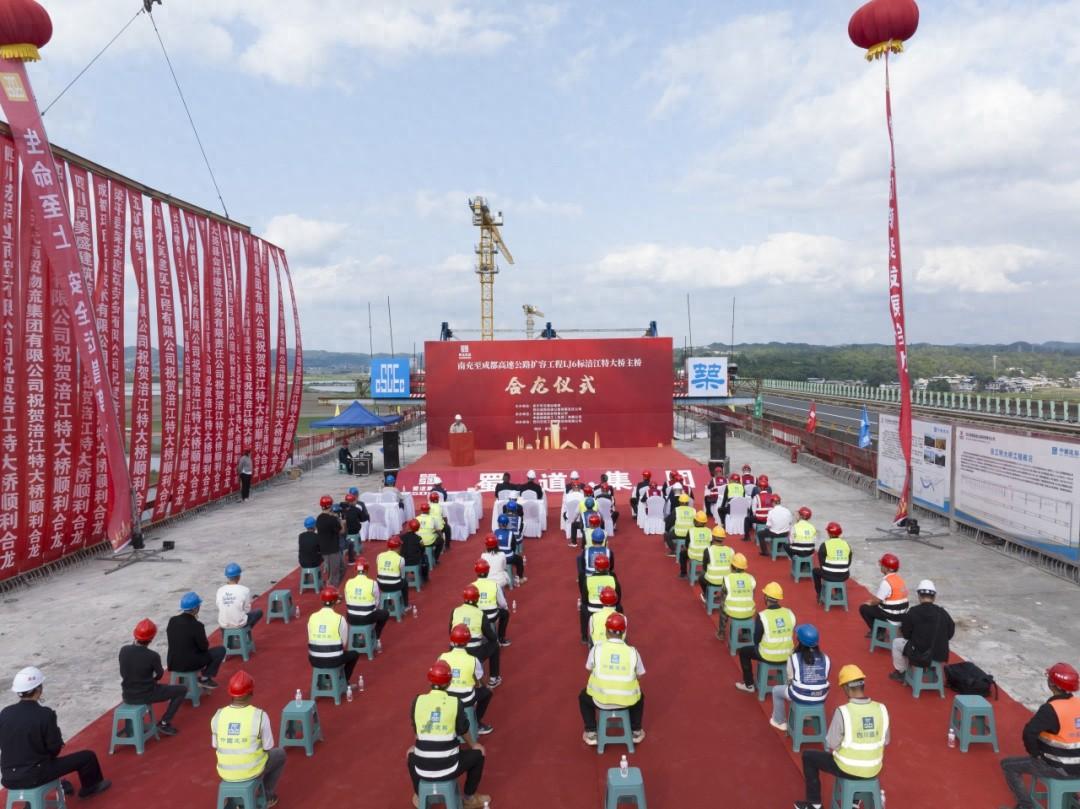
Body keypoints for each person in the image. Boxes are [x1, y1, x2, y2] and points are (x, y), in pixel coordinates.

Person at [0, 667, 111, 799]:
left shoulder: (5, 713)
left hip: (8, 777)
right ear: (39, 689)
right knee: (87, 757)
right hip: (35, 774)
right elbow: (54, 749)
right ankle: (91, 787)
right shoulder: (45, 714)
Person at [795, 665, 890, 809]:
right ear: (862, 684)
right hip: (873, 769)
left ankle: (814, 803)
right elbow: (886, 740)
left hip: (847, 768)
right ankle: (855, 800)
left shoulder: (843, 711)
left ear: (845, 688)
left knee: (808, 756)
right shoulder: (881, 709)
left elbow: (832, 743)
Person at [407, 660, 490, 809]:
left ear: (429, 681)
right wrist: (474, 745)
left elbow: (418, 731)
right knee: (479, 754)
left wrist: (417, 748)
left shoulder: (417, 701)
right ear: (449, 682)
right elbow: (463, 730)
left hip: (422, 767)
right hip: (449, 766)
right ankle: (469, 798)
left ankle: (420, 796)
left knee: (410, 754)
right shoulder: (454, 702)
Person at [999, 662, 1080, 809]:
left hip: (1059, 768)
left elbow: (1029, 732)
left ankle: (1026, 806)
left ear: (1052, 684)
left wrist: (1035, 754)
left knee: (1007, 766)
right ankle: (1072, 800)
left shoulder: (1051, 709)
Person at [211, 671, 285, 808]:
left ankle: (232, 800)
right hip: (252, 771)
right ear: (251, 692)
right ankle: (267, 796)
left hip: (225, 772)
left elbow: (215, 745)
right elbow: (268, 746)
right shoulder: (259, 716)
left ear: (230, 693)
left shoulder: (218, 715)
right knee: (279, 754)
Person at [580, 613, 646, 746]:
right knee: (640, 697)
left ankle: (591, 733)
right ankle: (636, 731)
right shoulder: (633, 652)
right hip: (627, 702)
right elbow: (640, 674)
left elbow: (589, 668)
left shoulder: (596, 649)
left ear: (606, 631)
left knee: (583, 698)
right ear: (624, 632)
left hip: (600, 700)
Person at [119, 619, 185, 736]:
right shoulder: (152, 656)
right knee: (181, 690)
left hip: (127, 694)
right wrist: (151, 679)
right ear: (151, 639)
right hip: (146, 693)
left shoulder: (124, 650)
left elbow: (124, 671)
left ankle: (130, 728)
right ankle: (164, 723)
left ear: (135, 634)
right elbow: (159, 675)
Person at [888, 580, 954, 682]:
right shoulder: (943, 612)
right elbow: (950, 633)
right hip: (940, 653)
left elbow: (906, 635)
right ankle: (932, 669)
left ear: (919, 596)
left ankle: (901, 672)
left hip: (919, 654)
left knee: (897, 643)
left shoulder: (913, 611)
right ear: (934, 597)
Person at [735, 582, 795, 693]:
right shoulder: (790, 613)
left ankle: (749, 685)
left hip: (767, 655)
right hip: (787, 655)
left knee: (743, 652)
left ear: (766, 597)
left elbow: (756, 639)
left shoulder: (762, 616)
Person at [769, 624, 830, 732]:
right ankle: (808, 714)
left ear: (799, 641)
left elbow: (790, 678)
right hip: (820, 696)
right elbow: (823, 677)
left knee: (776, 691)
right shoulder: (826, 658)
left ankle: (779, 721)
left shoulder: (794, 658)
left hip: (800, 695)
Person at [439, 625, 495, 736]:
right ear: (467, 641)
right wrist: (485, 686)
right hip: (466, 699)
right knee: (487, 693)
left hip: (446, 696)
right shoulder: (473, 660)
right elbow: (479, 681)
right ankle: (477, 723)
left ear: (452, 640)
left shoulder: (442, 657)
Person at [166, 592, 226, 690]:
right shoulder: (197, 625)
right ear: (195, 608)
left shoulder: (172, 620)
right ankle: (205, 678)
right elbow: (204, 647)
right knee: (220, 650)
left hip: (173, 662)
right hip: (190, 663)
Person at [450, 586, 502, 688]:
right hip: (474, 651)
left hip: (454, 648)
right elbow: (491, 636)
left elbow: (450, 632)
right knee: (495, 645)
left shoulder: (455, 611)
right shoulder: (480, 613)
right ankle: (494, 678)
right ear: (477, 599)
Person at [307, 586, 361, 683]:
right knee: (354, 654)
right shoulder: (340, 619)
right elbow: (343, 643)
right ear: (335, 602)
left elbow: (310, 635)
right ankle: (344, 681)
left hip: (314, 660)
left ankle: (324, 682)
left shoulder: (312, 617)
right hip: (334, 659)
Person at [344, 558, 389, 649]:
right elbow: (377, 601)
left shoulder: (348, 582)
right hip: (367, 617)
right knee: (385, 613)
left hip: (351, 618)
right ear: (367, 569)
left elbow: (347, 599)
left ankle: (359, 636)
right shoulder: (373, 583)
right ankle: (376, 636)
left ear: (355, 569)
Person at [858, 553, 908, 632]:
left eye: (882, 565)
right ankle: (880, 630)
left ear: (887, 568)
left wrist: (869, 603)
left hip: (892, 616)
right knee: (876, 606)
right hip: (901, 615)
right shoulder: (899, 579)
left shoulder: (887, 582)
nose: (881, 566)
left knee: (864, 608)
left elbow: (877, 601)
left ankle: (878, 632)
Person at [580, 554, 620, 644]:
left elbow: (584, 599)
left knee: (582, 607)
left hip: (592, 610)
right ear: (608, 566)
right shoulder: (613, 579)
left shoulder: (588, 579)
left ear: (595, 566)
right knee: (620, 607)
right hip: (611, 609)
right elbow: (618, 597)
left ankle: (584, 636)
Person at [716, 553, 756, 640]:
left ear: (732, 566)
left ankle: (721, 633)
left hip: (732, 611)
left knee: (722, 606)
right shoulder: (751, 578)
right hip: (749, 611)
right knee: (747, 603)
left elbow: (723, 597)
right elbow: (751, 596)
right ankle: (746, 633)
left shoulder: (727, 578)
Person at [472, 560, 511, 647]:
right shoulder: (495, 585)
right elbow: (502, 603)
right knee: (505, 614)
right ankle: (501, 639)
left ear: (476, 571)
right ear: (488, 571)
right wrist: (505, 607)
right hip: (492, 615)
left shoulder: (472, 586)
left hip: (477, 616)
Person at [217, 562, 263, 631]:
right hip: (239, 624)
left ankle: (227, 636)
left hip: (223, 624)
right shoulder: (245, 590)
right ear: (239, 577)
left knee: (225, 616)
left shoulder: (220, 590)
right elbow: (247, 610)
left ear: (227, 577)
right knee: (258, 612)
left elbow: (219, 606)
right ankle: (246, 631)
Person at [812, 522, 851, 599]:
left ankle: (819, 593)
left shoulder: (825, 545)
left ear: (829, 533)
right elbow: (849, 562)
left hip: (828, 575)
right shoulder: (846, 544)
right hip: (844, 575)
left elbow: (821, 563)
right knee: (837, 569)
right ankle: (839, 592)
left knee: (815, 571)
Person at [315, 495, 346, 587]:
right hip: (332, 549)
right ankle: (332, 589)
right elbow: (342, 531)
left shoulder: (319, 518)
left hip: (325, 548)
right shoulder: (332, 519)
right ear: (330, 506)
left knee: (339, 569)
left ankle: (331, 585)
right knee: (335, 573)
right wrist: (340, 521)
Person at [698, 526, 734, 600]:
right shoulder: (731, 550)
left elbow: (705, 568)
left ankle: (707, 595)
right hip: (727, 580)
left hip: (712, 580)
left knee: (701, 576)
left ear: (713, 537)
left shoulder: (708, 550)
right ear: (723, 538)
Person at [377, 535, 410, 609]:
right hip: (395, 585)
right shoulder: (400, 559)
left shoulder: (379, 556)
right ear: (398, 547)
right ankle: (406, 605)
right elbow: (402, 575)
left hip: (381, 585)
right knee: (404, 582)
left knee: (387, 577)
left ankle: (387, 603)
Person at [577, 527, 613, 594]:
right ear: (603, 540)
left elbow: (583, 566)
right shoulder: (609, 551)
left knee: (581, 575)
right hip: (605, 574)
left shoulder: (586, 551)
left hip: (589, 576)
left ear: (592, 540)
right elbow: (611, 567)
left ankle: (583, 595)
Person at [679, 510, 711, 579]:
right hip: (707, 556)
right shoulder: (709, 531)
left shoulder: (691, 531)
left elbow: (686, 545)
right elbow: (711, 544)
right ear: (705, 522)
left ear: (695, 521)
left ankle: (683, 573)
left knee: (682, 553)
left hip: (694, 555)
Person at [494, 515, 526, 583]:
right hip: (509, 558)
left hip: (497, 556)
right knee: (520, 559)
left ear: (498, 523)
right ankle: (520, 577)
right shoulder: (511, 533)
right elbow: (513, 546)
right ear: (507, 524)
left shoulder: (495, 532)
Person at [340, 490, 369, 563]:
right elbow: (363, 519)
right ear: (352, 502)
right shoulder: (356, 509)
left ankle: (347, 548)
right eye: (355, 500)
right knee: (356, 528)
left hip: (345, 531)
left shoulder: (341, 509)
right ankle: (357, 549)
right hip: (355, 530)